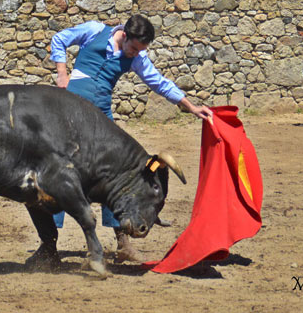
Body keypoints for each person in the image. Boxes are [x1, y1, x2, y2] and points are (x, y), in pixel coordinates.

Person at [49, 14, 213, 263]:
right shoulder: (94, 31)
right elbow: (60, 39)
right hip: (68, 114)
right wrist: (62, 73)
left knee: (116, 174)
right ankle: (48, 246)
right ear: (124, 35)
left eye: (141, 50)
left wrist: (190, 106)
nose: (136, 54)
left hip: (101, 119)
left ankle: (122, 243)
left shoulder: (138, 57)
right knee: (59, 172)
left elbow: (159, 83)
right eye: (134, 48)